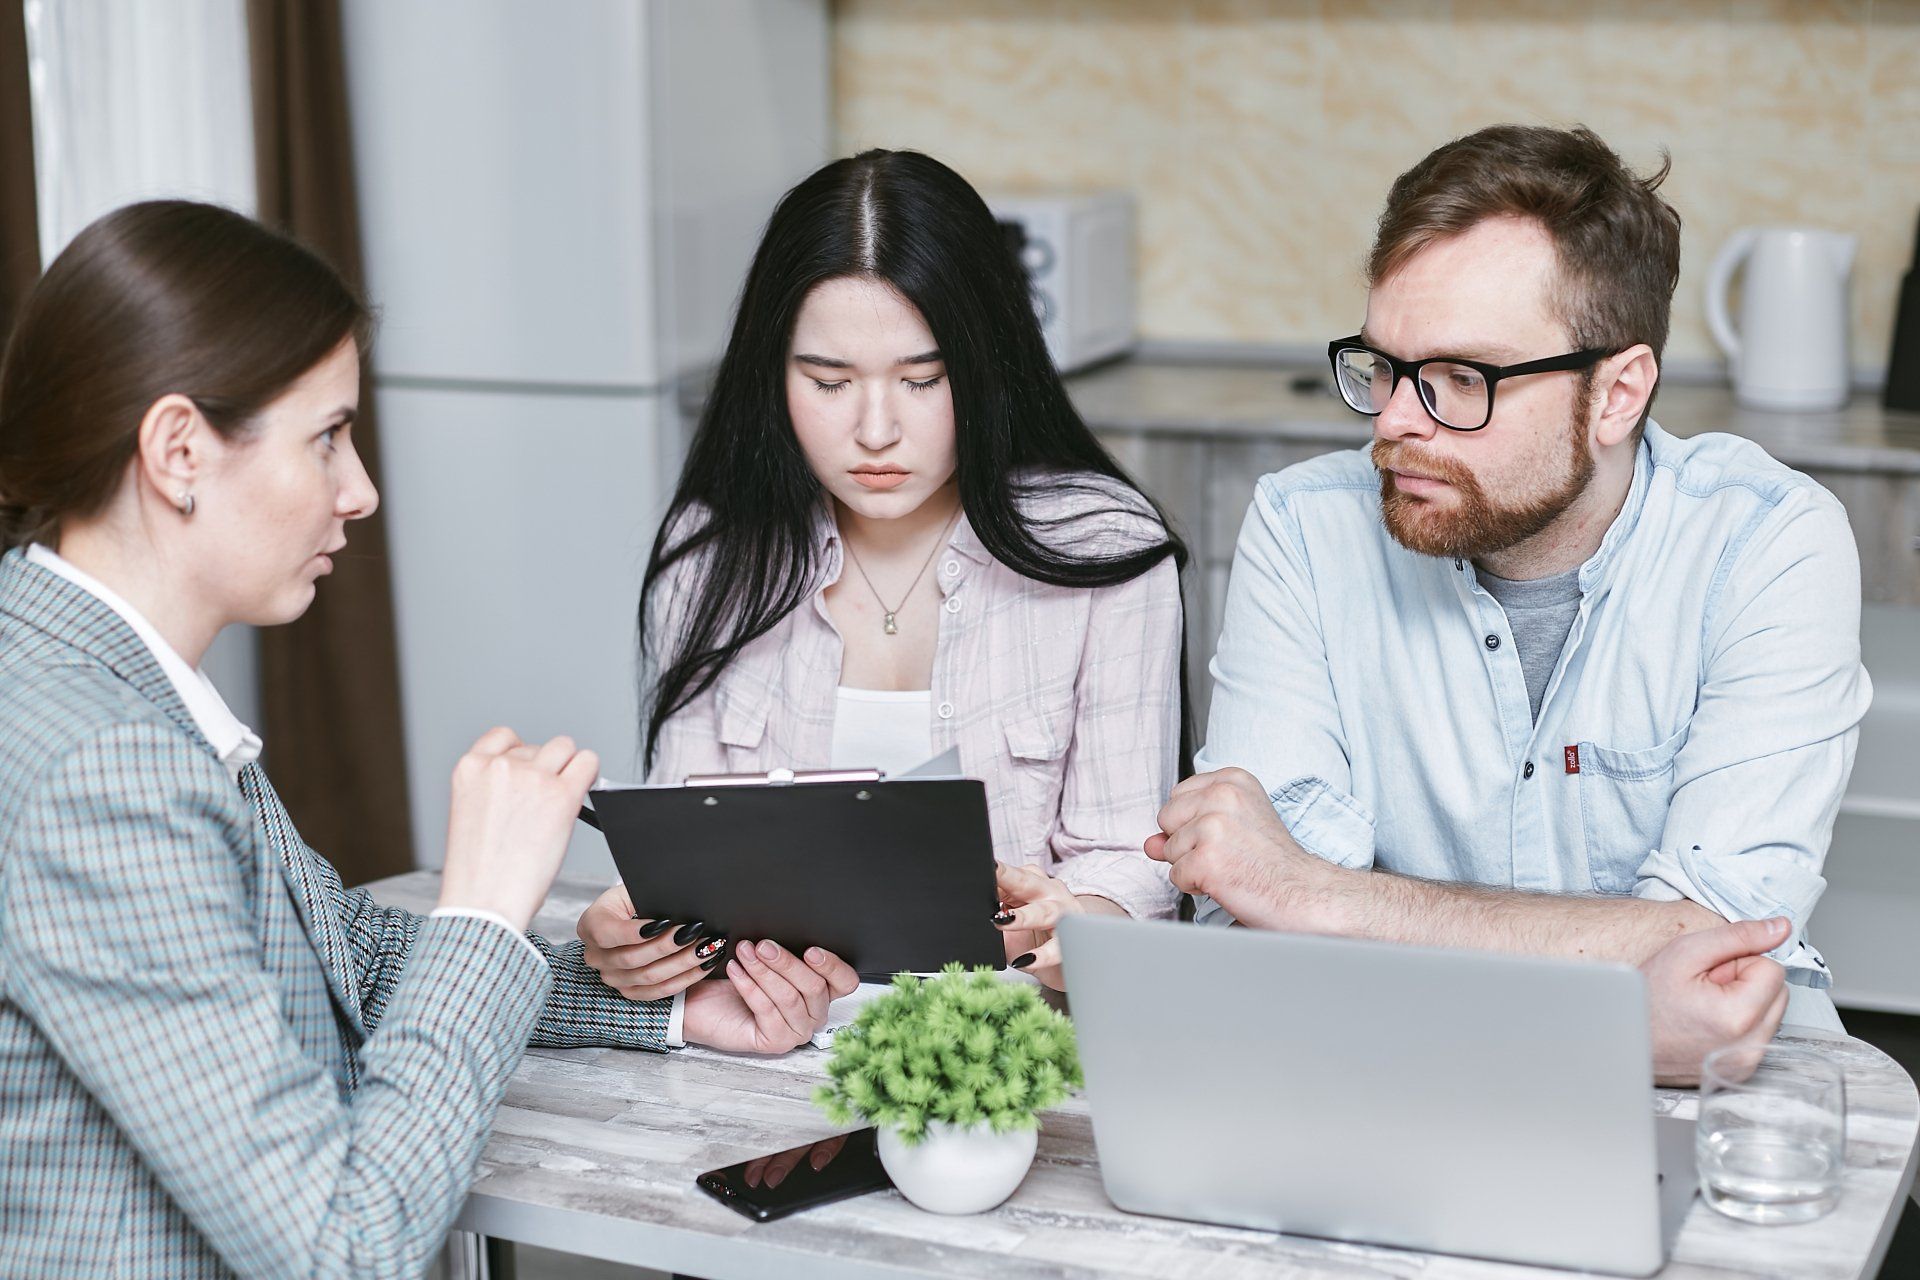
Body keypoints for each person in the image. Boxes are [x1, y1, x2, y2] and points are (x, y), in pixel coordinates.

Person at [0, 201, 857, 1278]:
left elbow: (334, 954)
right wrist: (487, 905)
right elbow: (345, 1249)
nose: (359, 492)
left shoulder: (77, 671)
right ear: (179, 449)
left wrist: (674, 1010)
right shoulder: (104, 768)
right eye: (327, 436)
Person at [1149, 124, 1870, 1067]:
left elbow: (1716, 952)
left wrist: (1326, 898)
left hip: (1715, 1096)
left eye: (1463, 378)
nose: (1398, 423)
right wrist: (1610, 972)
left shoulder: (1768, 541)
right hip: (1372, 1066)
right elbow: (1252, 916)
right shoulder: (1304, 529)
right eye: (1385, 367)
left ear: (1618, 395)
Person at [576, 150, 1187, 1000]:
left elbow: (1137, 862)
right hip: (768, 1055)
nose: (874, 431)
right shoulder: (713, 552)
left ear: (987, 365)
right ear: (772, 373)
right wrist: (639, 939)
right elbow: (686, 863)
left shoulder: (1101, 548)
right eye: (828, 381)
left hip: (1012, 1055)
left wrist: (1081, 918)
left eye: (924, 379)